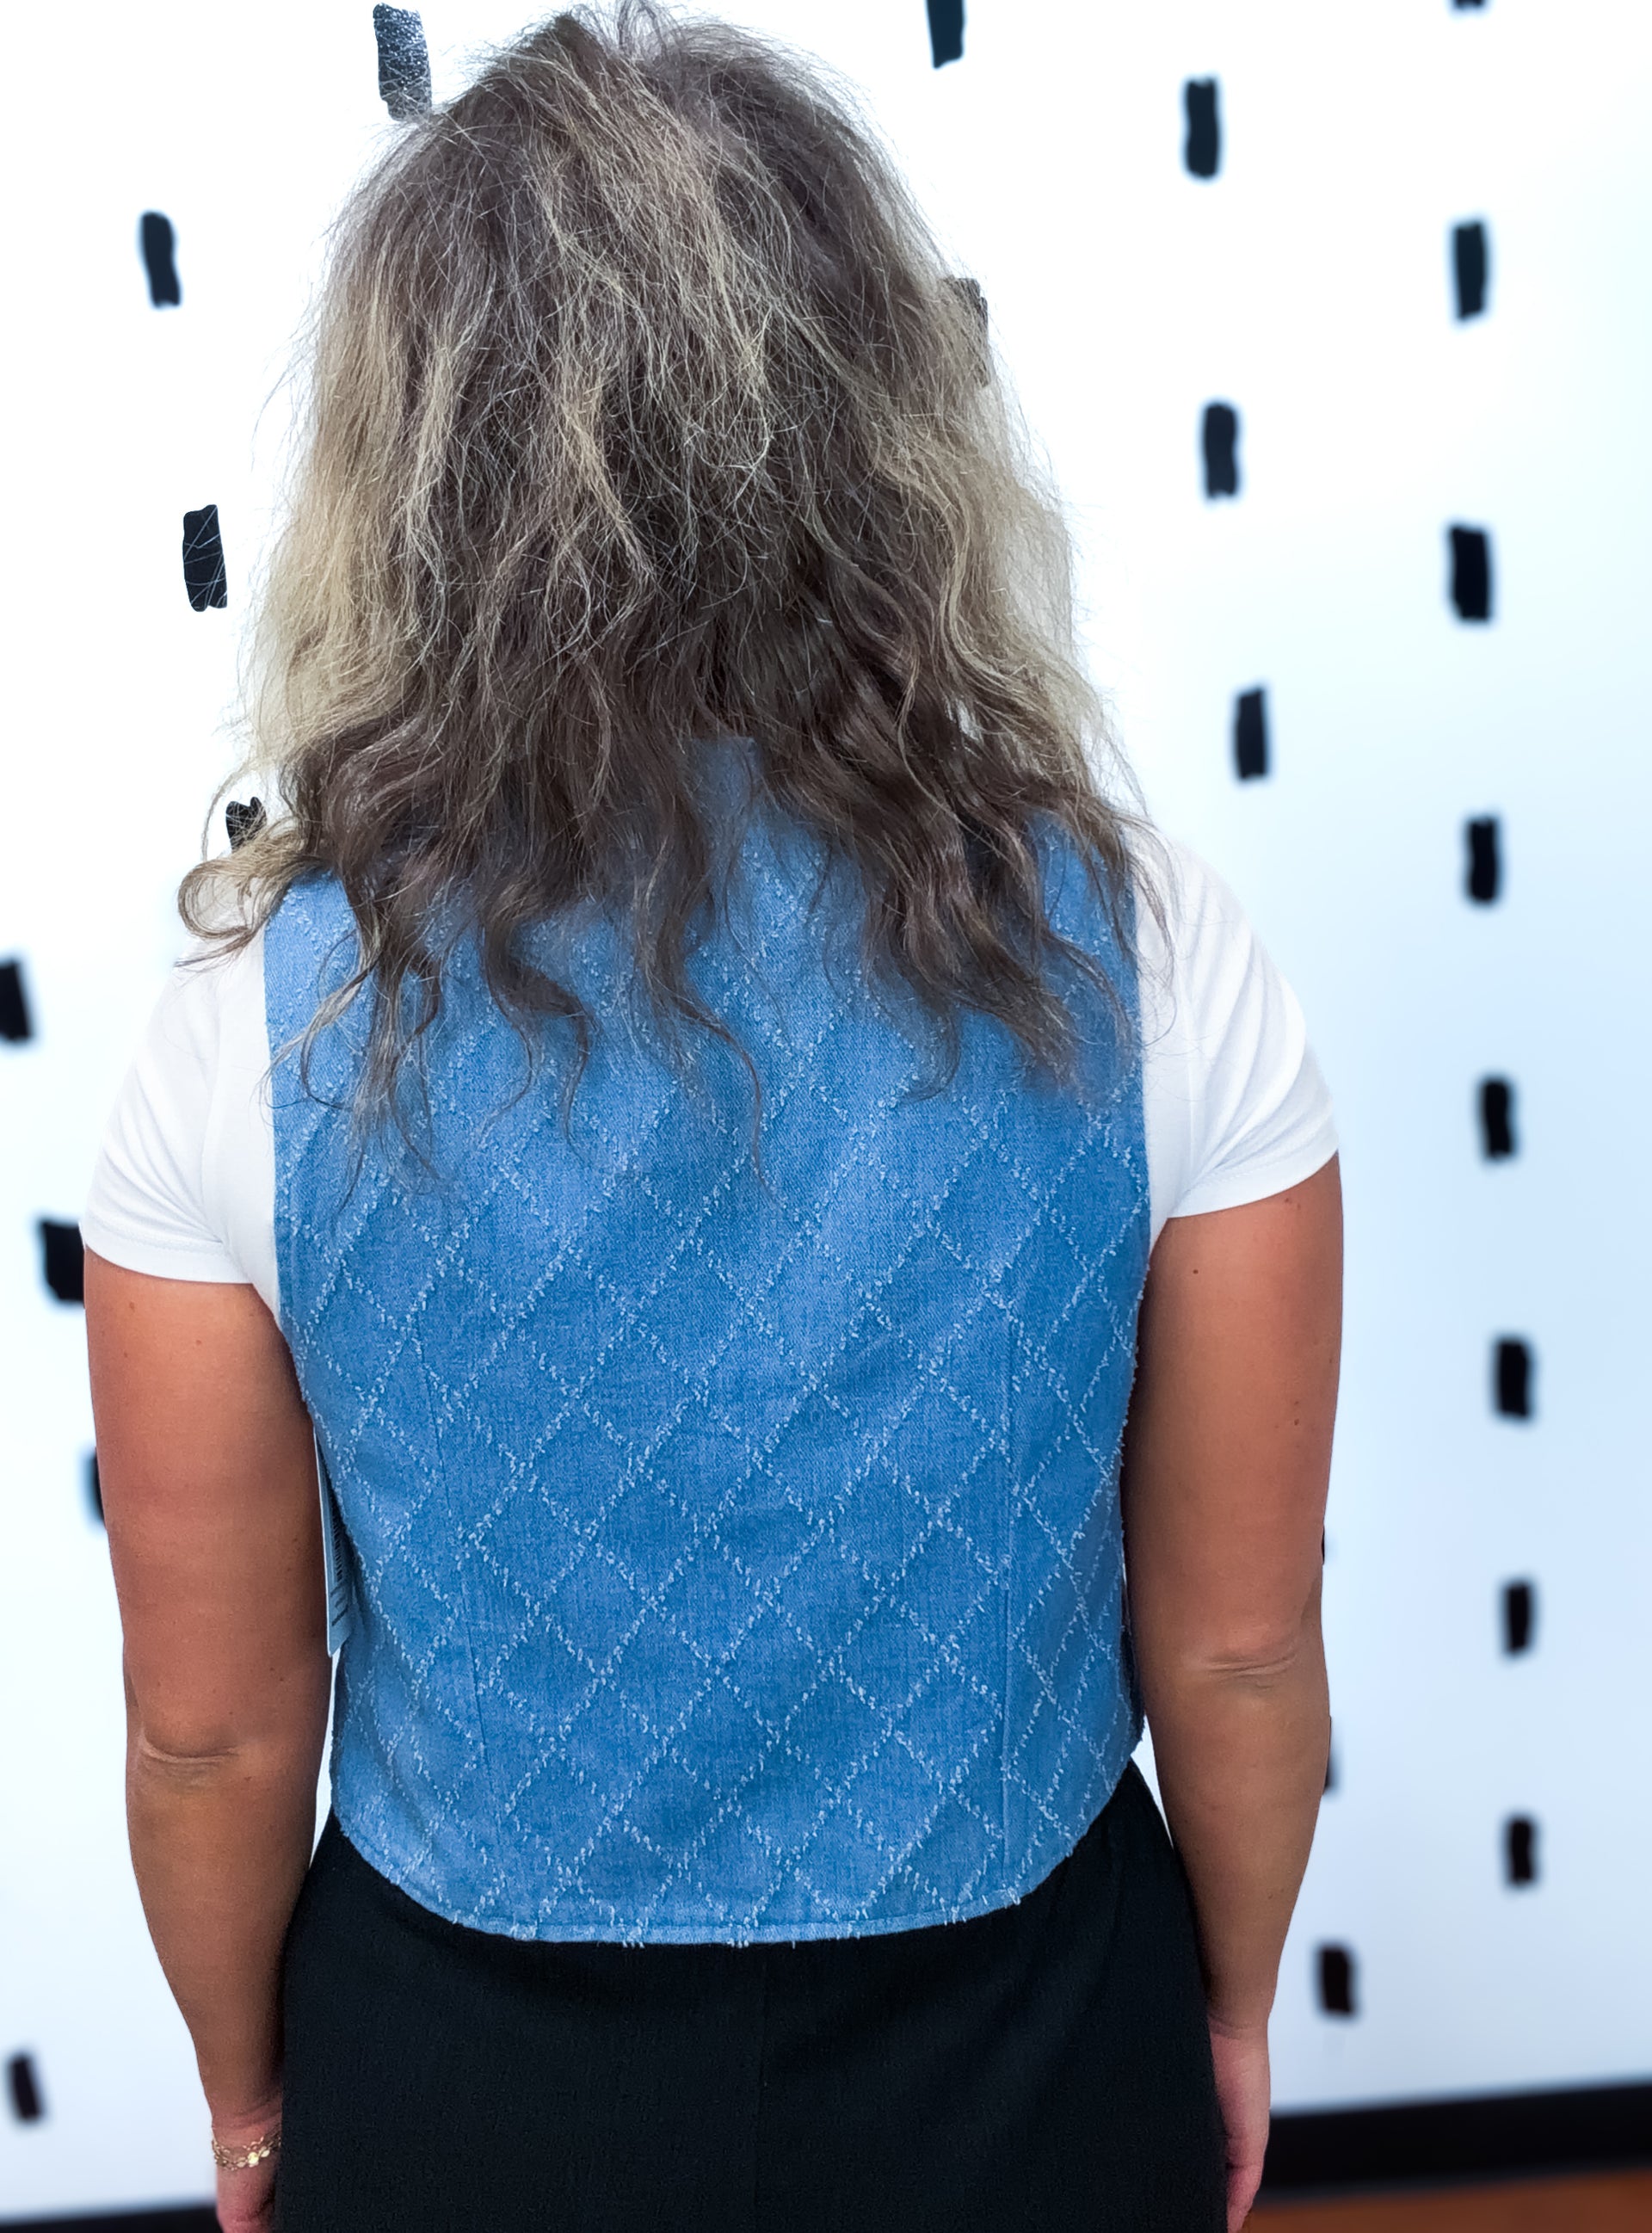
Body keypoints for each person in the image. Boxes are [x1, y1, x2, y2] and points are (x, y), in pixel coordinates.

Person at [81, 7, 1341, 2229]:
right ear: (882, 424)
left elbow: (213, 1735)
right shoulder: (1152, 945)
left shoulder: (258, 1021)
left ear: (413, 470)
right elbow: (1233, 1644)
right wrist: (1224, 2012)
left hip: (471, 2102)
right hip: (1032, 2062)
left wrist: (256, 2109)